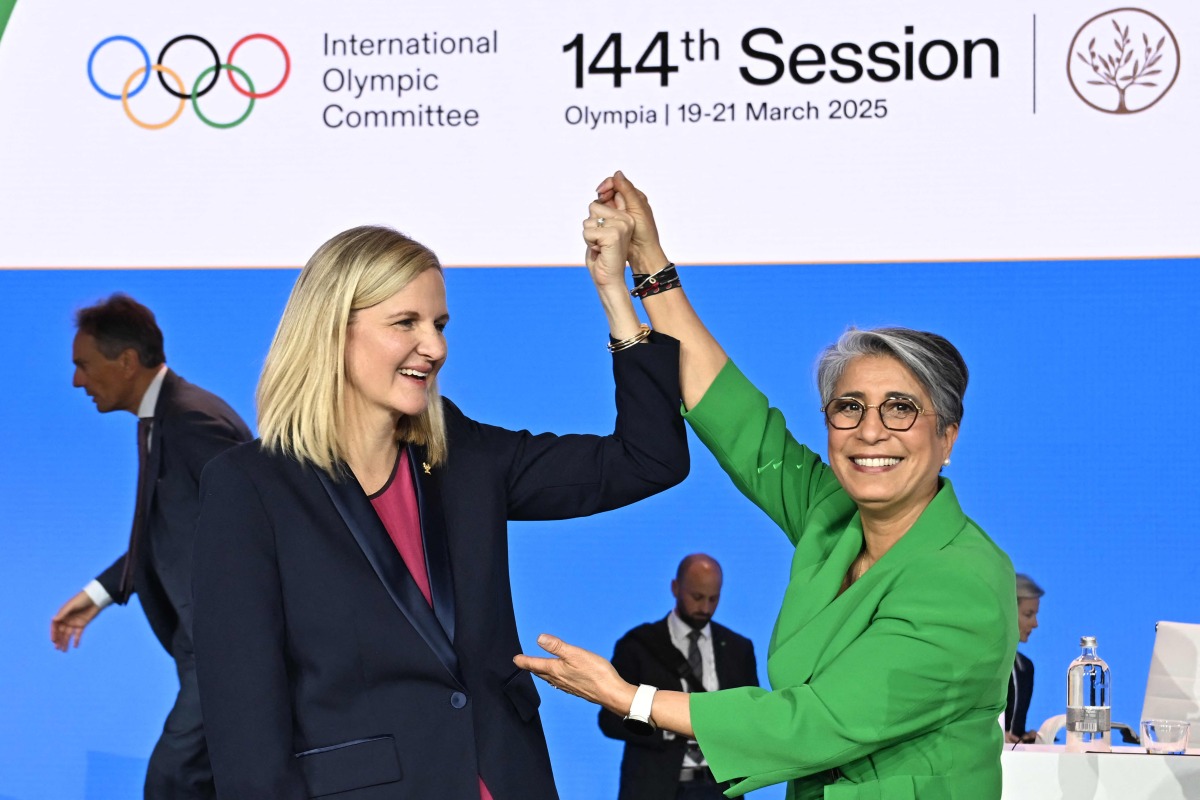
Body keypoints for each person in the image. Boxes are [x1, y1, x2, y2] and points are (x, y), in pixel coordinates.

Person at [515, 172, 1017, 799]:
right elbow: (741, 423)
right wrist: (649, 262)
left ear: (947, 437)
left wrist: (629, 697)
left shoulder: (963, 580)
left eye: (900, 409)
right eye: (849, 407)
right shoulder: (831, 519)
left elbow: (816, 723)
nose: (870, 432)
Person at [191, 217, 689, 799]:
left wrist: (615, 295)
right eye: (406, 322)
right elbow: (246, 730)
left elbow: (649, 459)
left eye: (439, 324)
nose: (435, 347)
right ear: (333, 331)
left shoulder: (463, 453)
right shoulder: (250, 487)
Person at [50, 293, 252, 799]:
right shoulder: (161, 420)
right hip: (207, 651)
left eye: (84, 365)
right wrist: (100, 593)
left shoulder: (192, 420)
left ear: (125, 361)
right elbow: (163, 532)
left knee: (175, 781)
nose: (78, 380)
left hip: (226, 649)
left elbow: (257, 521)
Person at [599, 554, 758, 800]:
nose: (705, 608)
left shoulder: (739, 649)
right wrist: (668, 725)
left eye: (713, 599)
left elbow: (750, 717)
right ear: (675, 587)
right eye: (697, 597)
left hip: (722, 790)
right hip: (655, 788)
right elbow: (609, 721)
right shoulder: (638, 645)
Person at [1005, 573, 1044, 744]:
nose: (1035, 623)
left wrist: (1026, 738)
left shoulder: (1025, 668)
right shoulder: (979, 661)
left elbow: (1013, 731)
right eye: (1028, 614)